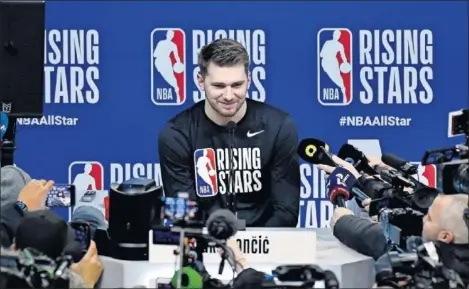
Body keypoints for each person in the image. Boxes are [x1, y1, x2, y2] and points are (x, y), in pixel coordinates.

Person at [158, 39, 300, 227]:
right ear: (200, 81)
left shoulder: (279, 126)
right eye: (218, 86)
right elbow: (185, 214)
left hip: (266, 244)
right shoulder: (177, 134)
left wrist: (253, 248)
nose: (228, 96)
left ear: (249, 80)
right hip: (206, 243)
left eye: (237, 85)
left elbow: (286, 211)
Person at [317, 156, 469, 283]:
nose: (422, 219)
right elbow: (434, 207)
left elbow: (395, 243)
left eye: (428, 218)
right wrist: (364, 181)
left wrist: (345, 222)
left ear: (445, 236)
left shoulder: (436, 269)